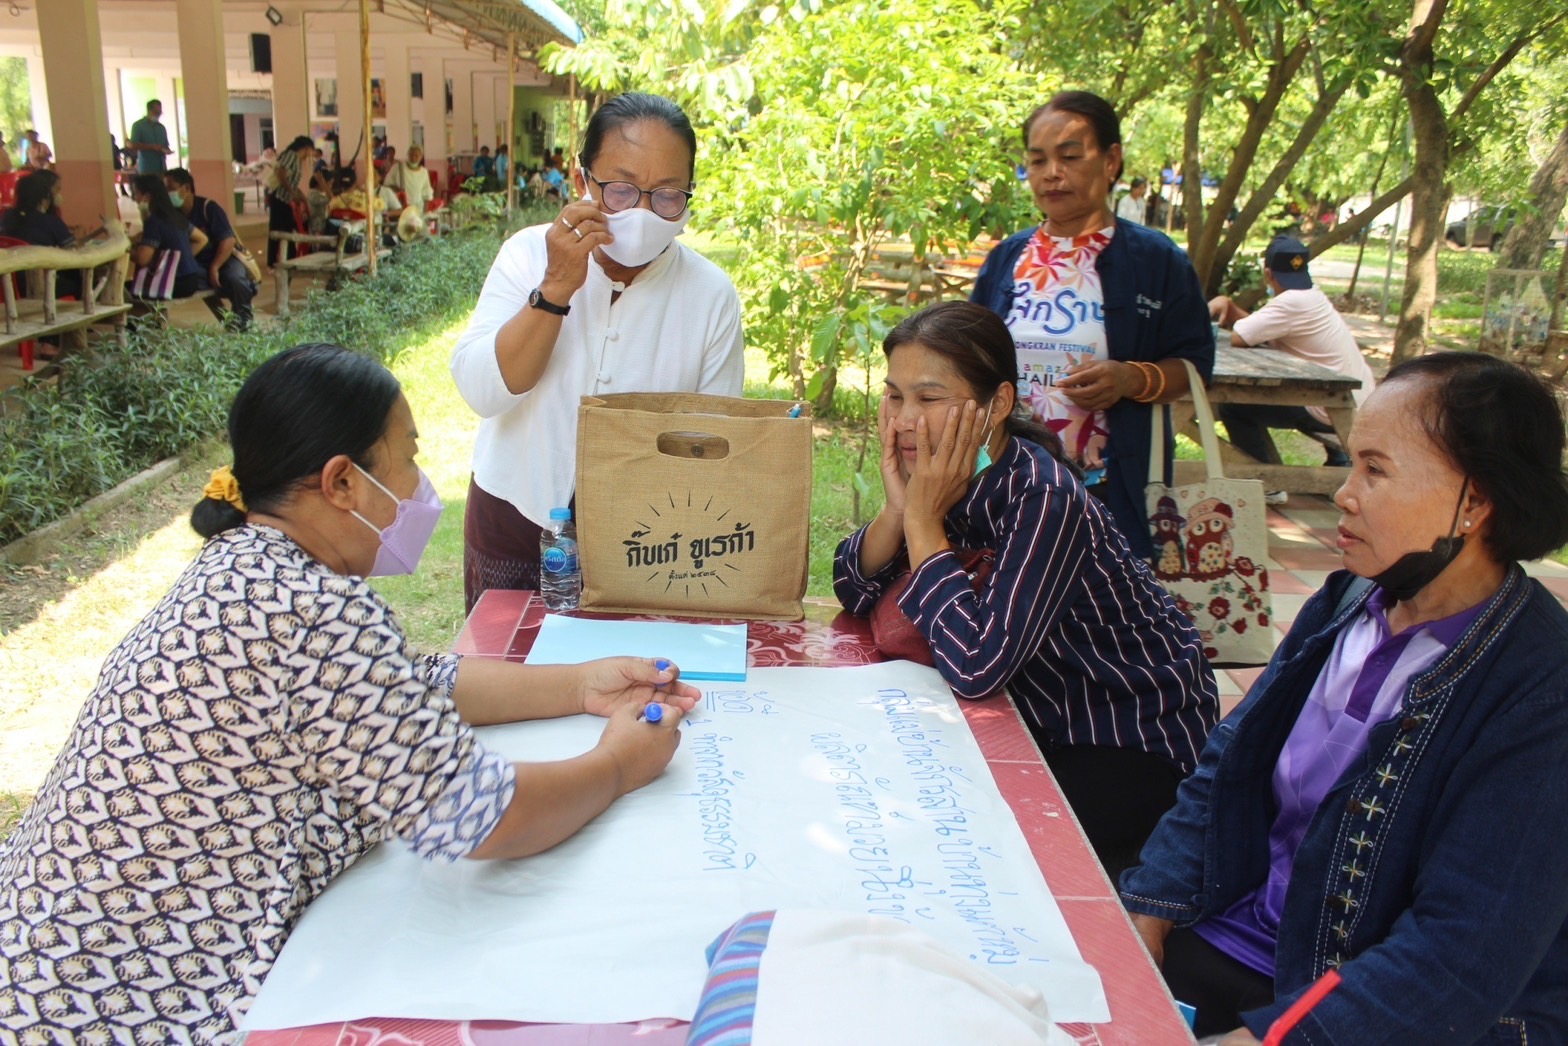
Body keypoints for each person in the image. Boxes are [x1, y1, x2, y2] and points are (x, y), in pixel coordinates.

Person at [0, 343, 699, 1042]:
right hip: (116, 1012)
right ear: (342, 483)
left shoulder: (244, 566)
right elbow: (481, 817)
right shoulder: (309, 608)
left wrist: (579, 684)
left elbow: (409, 684)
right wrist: (620, 762)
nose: (421, 485)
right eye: (409, 456)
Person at [1121, 351, 1568, 1043]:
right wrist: (1148, 913)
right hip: (1240, 938)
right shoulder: (1348, 602)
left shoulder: (1539, 686)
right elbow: (1225, 770)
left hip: (1369, 1009)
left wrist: (1265, 1040)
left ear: (1475, 503)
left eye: (1376, 470)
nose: (1344, 494)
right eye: (1352, 463)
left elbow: (1461, 954)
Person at [833, 301, 1219, 880]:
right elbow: (853, 589)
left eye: (929, 398)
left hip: (1125, 734)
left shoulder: (1043, 498)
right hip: (1035, 708)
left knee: (966, 849)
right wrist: (898, 509)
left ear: (998, 405)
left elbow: (977, 666)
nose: (905, 419)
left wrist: (923, 521)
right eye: (894, 395)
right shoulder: (943, 473)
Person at [451, 92, 745, 612]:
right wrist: (556, 287)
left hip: (643, 542)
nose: (643, 213)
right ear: (582, 179)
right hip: (513, 514)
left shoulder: (710, 294)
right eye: (621, 190)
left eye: (668, 195)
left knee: (620, 665)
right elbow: (483, 391)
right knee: (506, 661)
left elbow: (713, 446)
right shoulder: (526, 254)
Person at [971, 90, 1214, 560]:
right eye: (1037, 160)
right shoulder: (1007, 259)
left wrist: (1131, 379)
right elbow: (970, 359)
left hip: (1108, 491)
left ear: (1111, 161)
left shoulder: (1157, 261)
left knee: (1103, 600)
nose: (1051, 173)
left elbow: (1196, 366)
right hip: (1008, 482)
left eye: (1069, 156)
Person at [1208, 235, 1375, 478]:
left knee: (1234, 408)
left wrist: (1227, 305)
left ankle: (1264, 481)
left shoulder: (1291, 302)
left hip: (1335, 403)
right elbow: (1258, 329)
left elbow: (1239, 337)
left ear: (1268, 274)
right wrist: (1231, 308)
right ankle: (1337, 461)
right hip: (1359, 398)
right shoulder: (1311, 294)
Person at [165, 166, 257, 330]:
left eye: (170, 189)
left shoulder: (208, 208)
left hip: (224, 259)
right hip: (198, 264)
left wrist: (215, 266)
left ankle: (243, 322)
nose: (167, 194)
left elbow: (228, 240)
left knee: (235, 279)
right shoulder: (173, 214)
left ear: (186, 188)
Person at [0, 170, 105, 299]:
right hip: (39, 285)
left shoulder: (6, 217)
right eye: (56, 190)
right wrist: (81, 236)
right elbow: (72, 249)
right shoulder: (50, 221)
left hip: (7, 284)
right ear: (44, 198)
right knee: (80, 281)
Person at [129, 172, 209, 299]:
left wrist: (126, 250)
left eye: (135, 194)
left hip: (175, 283)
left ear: (147, 197)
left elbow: (142, 259)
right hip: (192, 280)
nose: (134, 199)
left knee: (126, 291)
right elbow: (202, 239)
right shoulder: (175, 215)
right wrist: (182, 258)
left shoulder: (153, 221)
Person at [266, 134, 313, 268]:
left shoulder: (297, 160)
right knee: (280, 229)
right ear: (306, 148)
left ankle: (288, 257)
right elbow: (281, 174)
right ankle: (274, 261)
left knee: (286, 228)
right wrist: (292, 192)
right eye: (310, 151)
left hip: (285, 199)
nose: (309, 155)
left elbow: (291, 181)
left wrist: (300, 194)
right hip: (279, 197)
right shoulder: (291, 155)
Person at [127, 98, 174, 174]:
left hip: (162, 168)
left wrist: (167, 150)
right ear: (149, 110)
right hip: (146, 168)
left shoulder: (161, 128)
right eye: (156, 112)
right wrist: (152, 147)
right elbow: (133, 145)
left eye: (160, 112)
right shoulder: (138, 126)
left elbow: (165, 145)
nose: (158, 115)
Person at [383, 144, 434, 214]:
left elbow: (427, 192)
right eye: (411, 155)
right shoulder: (398, 168)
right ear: (407, 155)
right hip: (400, 207)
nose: (413, 158)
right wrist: (397, 189)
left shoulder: (424, 172)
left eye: (416, 155)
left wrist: (425, 211)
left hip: (418, 208)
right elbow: (386, 185)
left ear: (421, 157)